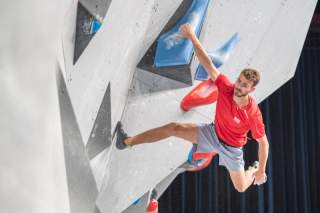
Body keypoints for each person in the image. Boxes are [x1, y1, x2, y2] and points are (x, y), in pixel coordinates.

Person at [116, 23, 269, 192]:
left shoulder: (252, 113)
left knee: (240, 188)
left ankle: (251, 170)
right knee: (173, 128)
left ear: (252, 90)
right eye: (239, 81)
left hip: (232, 149)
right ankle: (126, 142)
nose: (238, 86)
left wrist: (261, 170)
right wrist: (192, 37)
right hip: (213, 134)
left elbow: (263, 143)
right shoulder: (226, 87)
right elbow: (208, 64)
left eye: (244, 85)